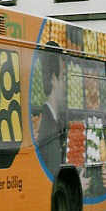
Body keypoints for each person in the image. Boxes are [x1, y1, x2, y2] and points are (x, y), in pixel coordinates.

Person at [36, 43, 67, 178]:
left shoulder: (52, 119)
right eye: (63, 77)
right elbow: (53, 173)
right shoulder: (48, 126)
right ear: (54, 80)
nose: (66, 84)